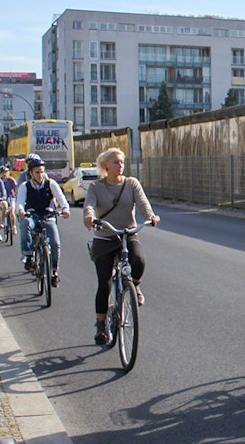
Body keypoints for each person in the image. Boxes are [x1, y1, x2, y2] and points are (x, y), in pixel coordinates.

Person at [83, 148, 160, 346]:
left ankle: (134, 285)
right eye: (116, 162)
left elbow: (142, 203)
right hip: (105, 236)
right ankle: (100, 324)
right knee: (104, 284)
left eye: (122, 162)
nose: (120, 166)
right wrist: (89, 217)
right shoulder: (95, 186)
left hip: (127, 233)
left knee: (138, 260)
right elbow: (89, 204)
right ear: (105, 165)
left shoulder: (131, 183)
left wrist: (150, 216)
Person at [16, 156, 72, 285]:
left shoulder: (50, 183)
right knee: (25, 225)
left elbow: (61, 198)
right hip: (32, 215)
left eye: (42, 172)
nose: (40, 175)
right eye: (37, 172)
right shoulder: (25, 186)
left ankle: (54, 271)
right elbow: (20, 202)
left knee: (55, 243)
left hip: (48, 216)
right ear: (31, 173)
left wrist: (65, 209)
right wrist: (20, 211)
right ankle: (28, 255)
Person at [0, 164, 18, 234]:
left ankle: (14, 227)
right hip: (2, 198)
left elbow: (16, 188)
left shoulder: (11, 181)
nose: (4, 174)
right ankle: (2, 221)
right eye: (3, 173)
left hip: (11, 197)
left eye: (6, 172)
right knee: (4, 206)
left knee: (12, 211)